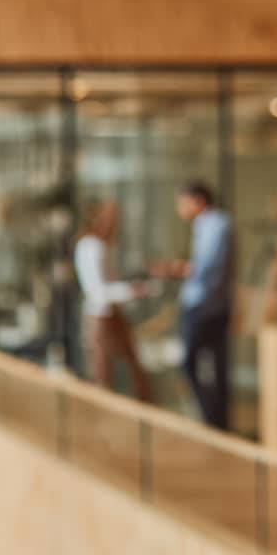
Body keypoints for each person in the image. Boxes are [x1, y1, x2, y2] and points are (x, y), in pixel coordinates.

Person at [152, 182, 232, 430]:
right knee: (206, 365)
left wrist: (176, 269)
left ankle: (212, 420)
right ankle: (212, 419)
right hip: (206, 304)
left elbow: (207, 269)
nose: (180, 209)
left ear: (197, 200)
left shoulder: (217, 224)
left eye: (182, 203)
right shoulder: (205, 225)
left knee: (194, 363)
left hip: (205, 306)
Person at [73, 200, 151, 401]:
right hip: (99, 314)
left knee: (132, 365)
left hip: (111, 311)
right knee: (102, 372)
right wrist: (130, 291)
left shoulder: (101, 246)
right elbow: (97, 291)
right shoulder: (91, 246)